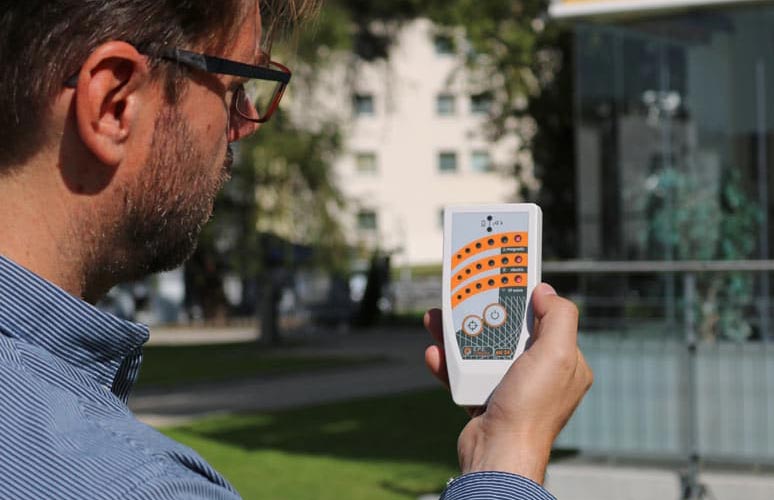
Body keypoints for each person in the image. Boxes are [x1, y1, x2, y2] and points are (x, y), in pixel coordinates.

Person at [0, 1, 593, 499]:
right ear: (114, 103)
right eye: (234, 88)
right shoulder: (134, 483)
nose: (248, 123)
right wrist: (510, 457)